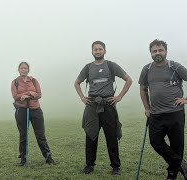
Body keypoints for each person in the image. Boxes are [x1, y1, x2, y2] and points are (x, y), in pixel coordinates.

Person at [74, 41, 132, 176]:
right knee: (91, 135)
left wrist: (119, 97)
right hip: (92, 105)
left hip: (108, 105)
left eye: (100, 49)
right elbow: (77, 83)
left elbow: (128, 80)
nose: (98, 51)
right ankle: (89, 165)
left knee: (111, 136)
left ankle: (116, 167)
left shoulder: (111, 66)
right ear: (92, 52)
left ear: (105, 51)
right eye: (95, 49)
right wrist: (83, 97)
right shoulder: (88, 67)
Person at [139, 39, 187, 180]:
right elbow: (143, 89)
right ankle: (180, 163)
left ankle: (171, 175)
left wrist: (185, 100)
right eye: (154, 51)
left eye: (160, 50)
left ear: (166, 51)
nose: (158, 53)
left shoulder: (175, 67)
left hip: (175, 113)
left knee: (177, 146)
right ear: (151, 53)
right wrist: (147, 108)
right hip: (156, 114)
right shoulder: (147, 69)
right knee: (155, 141)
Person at [11, 61, 56, 166]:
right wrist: (26, 95)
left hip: (36, 110)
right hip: (21, 110)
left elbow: (39, 94)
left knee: (40, 135)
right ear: (18, 70)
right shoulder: (15, 82)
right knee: (23, 135)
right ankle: (23, 159)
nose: (23, 70)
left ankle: (48, 157)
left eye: (25, 68)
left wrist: (31, 94)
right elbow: (15, 96)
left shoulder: (34, 81)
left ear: (28, 70)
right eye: (21, 68)